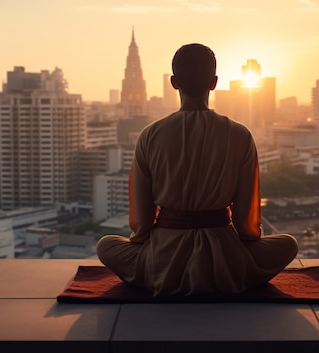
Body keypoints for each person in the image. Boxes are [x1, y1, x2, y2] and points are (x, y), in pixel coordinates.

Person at [96, 43, 298, 296]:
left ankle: (159, 273)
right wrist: (244, 246)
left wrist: (147, 244)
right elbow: (246, 225)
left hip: (162, 261)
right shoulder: (239, 134)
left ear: (174, 82)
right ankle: (233, 273)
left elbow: (142, 224)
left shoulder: (150, 135)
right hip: (226, 259)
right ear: (214, 83)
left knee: (106, 245)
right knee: (288, 244)